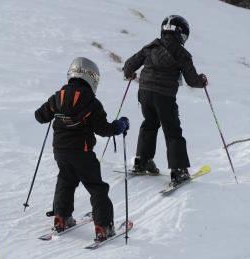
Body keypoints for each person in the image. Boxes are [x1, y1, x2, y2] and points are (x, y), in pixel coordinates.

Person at [34, 57, 130, 240]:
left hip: (60, 151)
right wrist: (121, 125)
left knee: (65, 181)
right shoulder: (92, 102)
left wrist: (57, 111)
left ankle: (61, 218)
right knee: (96, 187)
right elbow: (103, 129)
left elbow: (39, 116)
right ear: (92, 77)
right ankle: (104, 227)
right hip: (82, 152)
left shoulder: (58, 96)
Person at [123, 15, 208, 185]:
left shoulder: (150, 47)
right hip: (164, 96)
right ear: (181, 34)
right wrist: (202, 81)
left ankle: (142, 161)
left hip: (144, 93)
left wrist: (129, 74)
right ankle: (178, 170)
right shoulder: (182, 53)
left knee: (150, 123)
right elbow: (192, 80)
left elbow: (128, 65)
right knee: (172, 131)